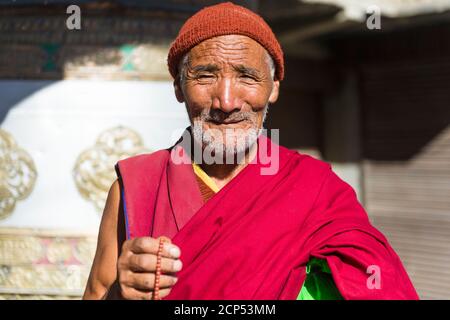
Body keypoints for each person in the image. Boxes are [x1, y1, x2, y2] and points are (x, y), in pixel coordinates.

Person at [83, 2, 419, 300]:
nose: (226, 101)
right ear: (178, 88)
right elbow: (97, 293)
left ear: (273, 88)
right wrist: (119, 295)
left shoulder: (316, 189)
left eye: (247, 76)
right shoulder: (138, 185)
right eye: (205, 75)